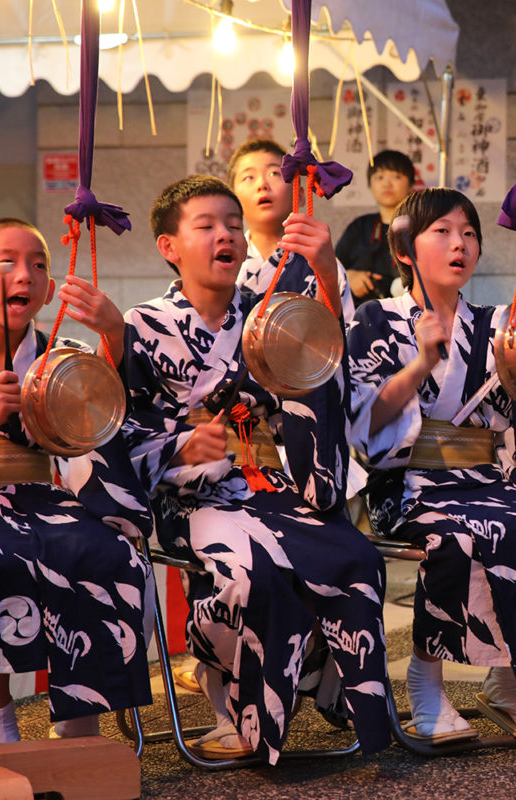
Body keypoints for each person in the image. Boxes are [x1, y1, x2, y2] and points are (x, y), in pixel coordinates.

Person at [121, 175, 390, 763]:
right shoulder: (141, 325)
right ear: (169, 247)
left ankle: (326, 694)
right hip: (189, 497)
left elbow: (326, 367)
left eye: (234, 226)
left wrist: (322, 270)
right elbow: (115, 429)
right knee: (251, 569)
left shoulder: (269, 315)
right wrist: (179, 446)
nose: (227, 236)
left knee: (354, 555)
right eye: (207, 226)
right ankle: (230, 708)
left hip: (269, 484)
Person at [346, 187, 516, 745]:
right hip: (409, 483)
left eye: (470, 233)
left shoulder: (496, 321)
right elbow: (366, 417)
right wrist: (420, 363)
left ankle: (512, 681)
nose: (459, 244)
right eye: (442, 232)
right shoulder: (375, 318)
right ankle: (425, 680)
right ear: (405, 249)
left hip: (485, 478)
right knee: (459, 538)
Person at [0, 218, 153, 744]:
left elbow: (109, 419)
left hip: (50, 494)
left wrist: (113, 335)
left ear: (48, 290)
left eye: (39, 265)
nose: (25, 274)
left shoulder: (62, 353)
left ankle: (81, 712)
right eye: (7, 261)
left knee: (107, 552)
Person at [227, 138, 354, 319]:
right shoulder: (224, 260)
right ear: (232, 201)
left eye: (274, 173)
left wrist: (327, 277)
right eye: (249, 177)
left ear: (300, 195)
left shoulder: (322, 263)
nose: (262, 184)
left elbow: (340, 337)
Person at [335, 149, 416, 303]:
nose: (387, 184)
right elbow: (332, 268)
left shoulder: (421, 228)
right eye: (379, 177)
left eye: (396, 176)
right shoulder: (359, 227)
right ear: (370, 184)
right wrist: (350, 277)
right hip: (359, 315)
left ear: (411, 183)